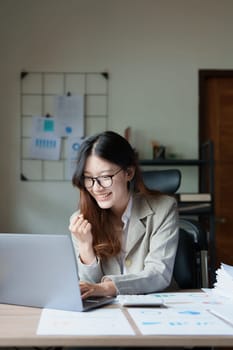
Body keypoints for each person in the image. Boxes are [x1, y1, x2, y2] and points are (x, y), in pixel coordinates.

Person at [69, 130, 179, 299]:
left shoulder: (163, 208)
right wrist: (85, 247)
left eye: (105, 177)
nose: (97, 187)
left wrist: (107, 288)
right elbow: (89, 289)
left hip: (157, 307)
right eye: (89, 178)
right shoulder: (80, 221)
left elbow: (158, 274)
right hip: (108, 315)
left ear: (129, 173)